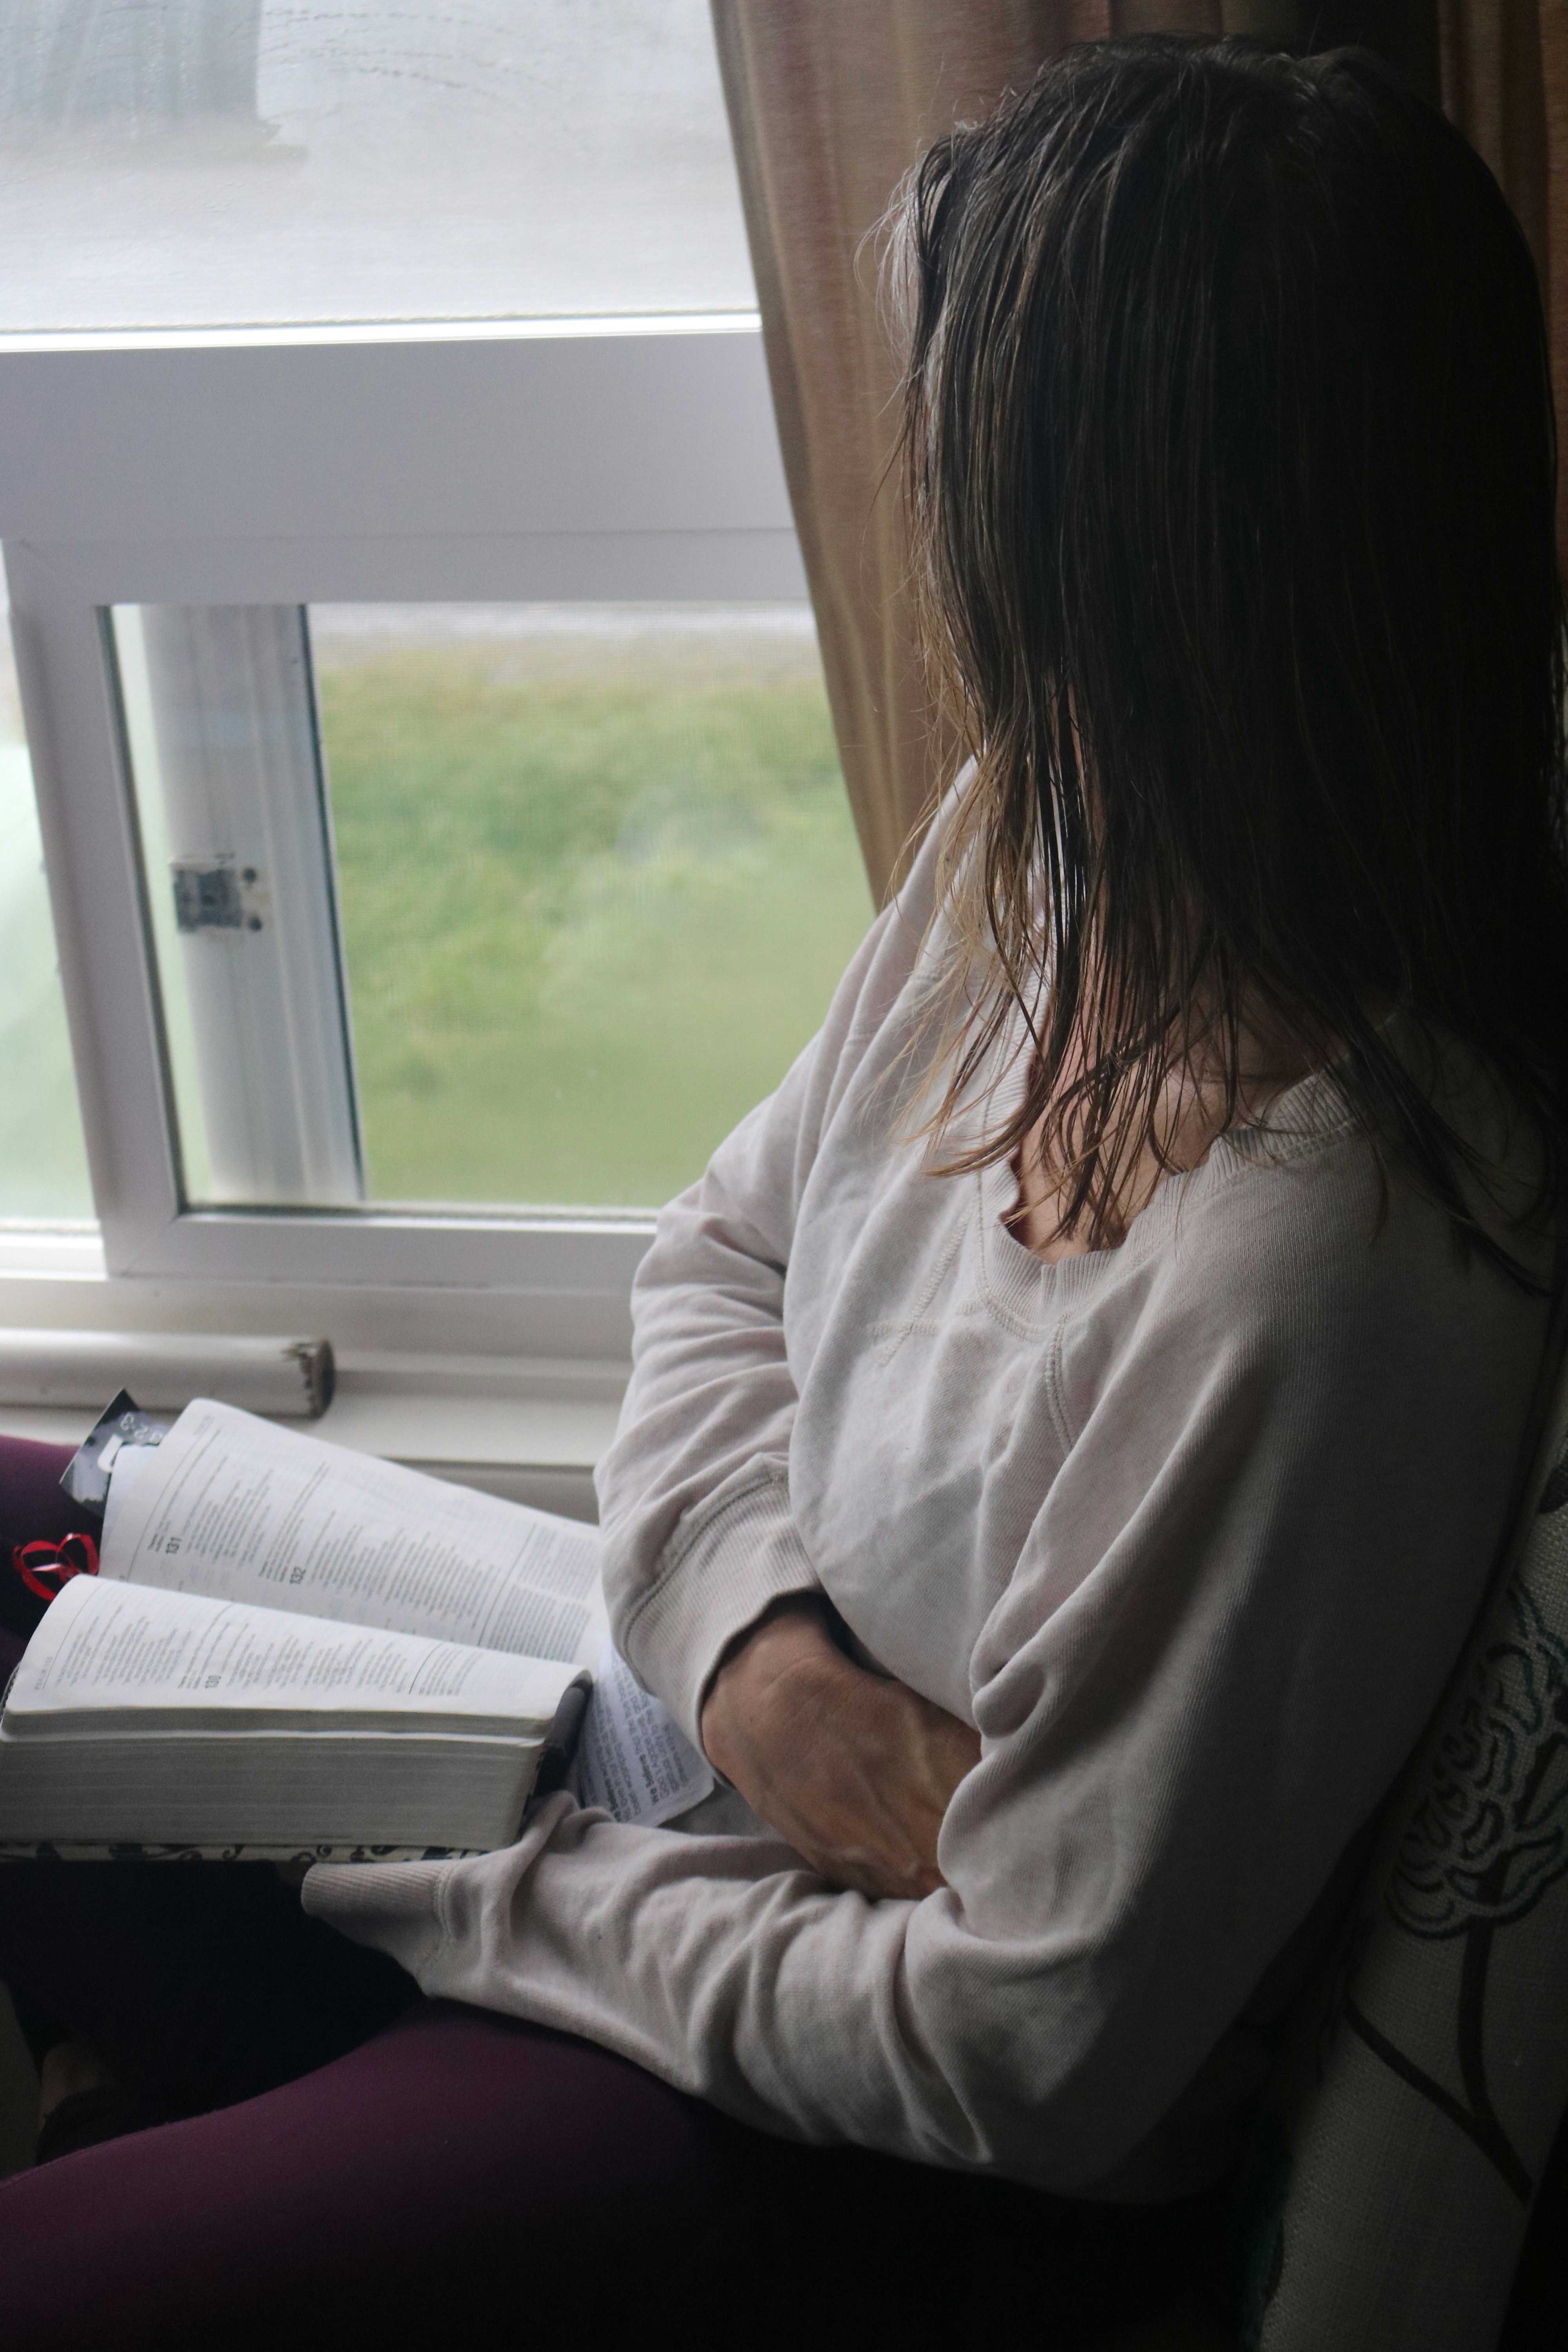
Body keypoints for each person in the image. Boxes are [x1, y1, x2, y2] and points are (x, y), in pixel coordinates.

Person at [3, 33, 1566, 2348]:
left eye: (962, 465)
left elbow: (1022, 2045)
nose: (921, 519)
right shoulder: (1044, 850)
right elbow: (717, 1264)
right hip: (682, 1784)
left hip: (875, 2143)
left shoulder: (1323, 1273)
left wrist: (509, 1894)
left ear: (1128, 562)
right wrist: (752, 1657)